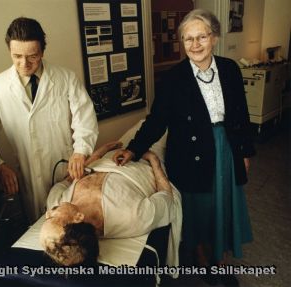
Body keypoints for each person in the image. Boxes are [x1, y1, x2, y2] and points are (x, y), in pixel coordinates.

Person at [113, 9, 255, 286]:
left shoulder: (229, 68)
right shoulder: (174, 78)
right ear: (183, 43)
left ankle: (220, 259)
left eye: (201, 37)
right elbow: (157, 120)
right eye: (188, 39)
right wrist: (132, 149)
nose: (195, 44)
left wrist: (245, 151)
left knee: (222, 203)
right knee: (199, 208)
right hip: (191, 153)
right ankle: (203, 260)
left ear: (213, 38)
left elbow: (241, 113)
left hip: (225, 145)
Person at [0, 17, 98, 222]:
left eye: (32, 56)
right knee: (37, 229)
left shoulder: (65, 78)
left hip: (65, 169)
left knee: (68, 224)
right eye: (17, 56)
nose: (24, 63)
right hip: (27, 175)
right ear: (9, 50)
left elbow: (85, 118)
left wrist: (81, 151)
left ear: (42, 52)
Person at [40, 141, 181, 267]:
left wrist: (99, 153)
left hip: (109, 153)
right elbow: (167, 197)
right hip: (143, 160)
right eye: (52, 218)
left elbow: (66, 180)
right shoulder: (132, 216)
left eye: (47, 218)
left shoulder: (56, 202)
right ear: (78, 218)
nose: (48, 212)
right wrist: (153, 159)